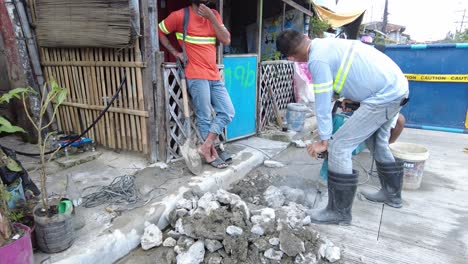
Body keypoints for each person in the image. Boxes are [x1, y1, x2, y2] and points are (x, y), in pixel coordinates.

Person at [276, 29, 409, 225]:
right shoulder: (326, 44)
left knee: (339, 146)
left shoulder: (317, 60)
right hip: (395, 88)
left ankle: (338, 212)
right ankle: (392, 194)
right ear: (306, 37)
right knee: (376, 141)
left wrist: (324, 140)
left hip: (383, 96)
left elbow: (321, 103)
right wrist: (351, 96)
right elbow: (352, 74)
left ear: (292, 58)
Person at [158, 0, 235, 169]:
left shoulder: (214, 15)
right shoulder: (180, 16)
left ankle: (206, 146)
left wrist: (211, 17)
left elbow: (226, 40)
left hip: (214, 74)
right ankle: (210, 153)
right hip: (195, 74)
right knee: (204, 115)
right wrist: (175, 52)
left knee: (228, 111)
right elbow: (159, 30)